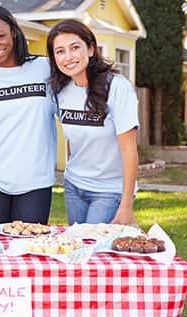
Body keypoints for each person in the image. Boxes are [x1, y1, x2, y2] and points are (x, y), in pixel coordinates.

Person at [0, 5, 57, 224]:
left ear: (13, 32)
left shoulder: (46, 69)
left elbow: (84, 82)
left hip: (36, 180)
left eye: (0, 36)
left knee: (30, 247)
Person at [46, 19, 139, 226]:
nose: (68, 57)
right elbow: (74, 140)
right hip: (74, 186)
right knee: (79, 248)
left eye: (75, 47)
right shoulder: (60, 90)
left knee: (95, 250)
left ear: (90, 49)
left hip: (109, 190)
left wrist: (125, 207)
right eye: (59, 51)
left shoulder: (117, 88)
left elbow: (129, 150)